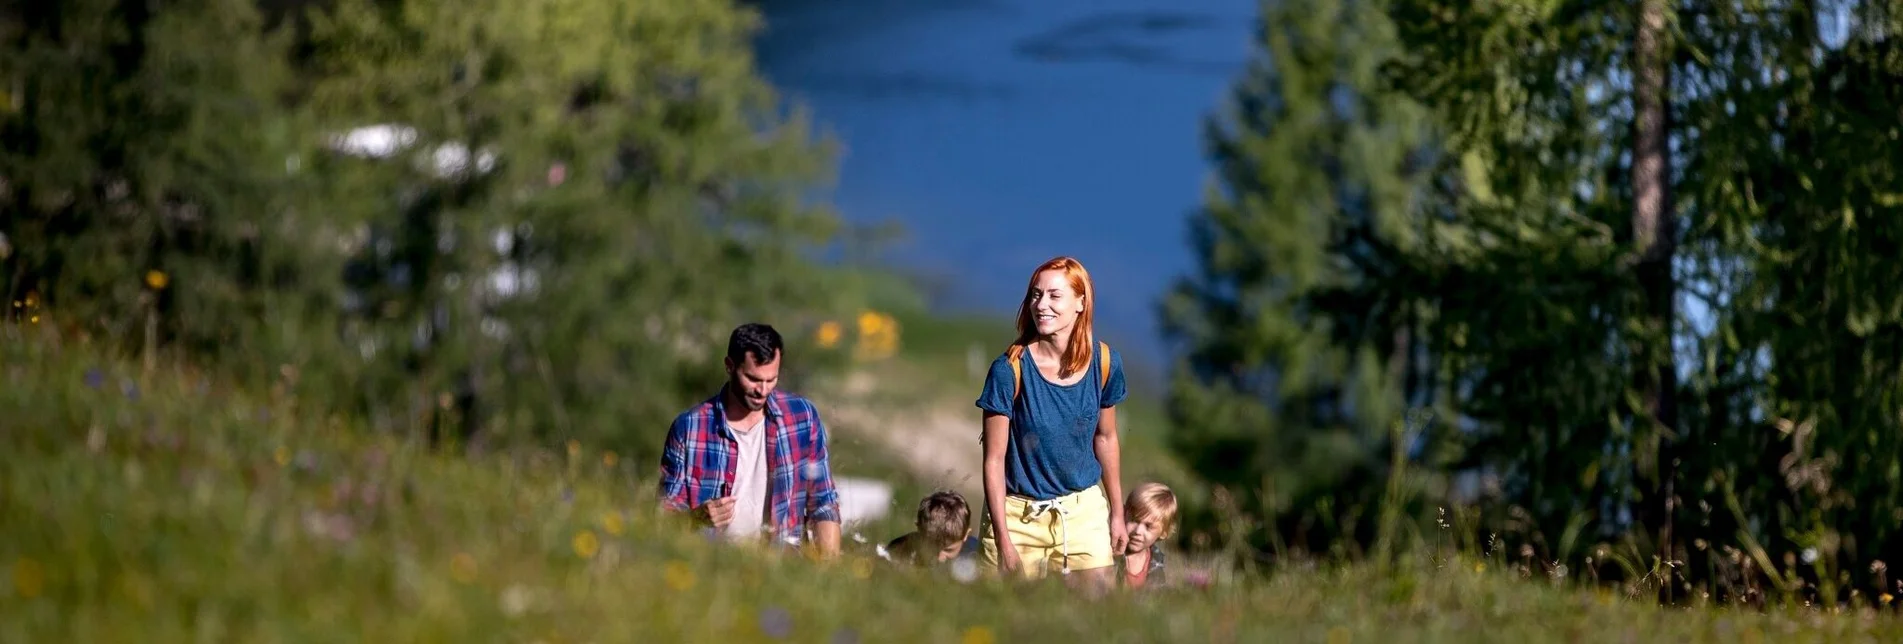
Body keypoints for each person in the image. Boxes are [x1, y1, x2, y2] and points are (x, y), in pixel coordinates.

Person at [976, 256, 1128, 590]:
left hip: (1083, 511)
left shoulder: (1105, 363)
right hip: (1018, 516)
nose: (1041, 305)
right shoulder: (1008, 370)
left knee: (1097, 621)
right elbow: (994, 460)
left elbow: (1106, 438)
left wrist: (1117, 512)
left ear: (1081, 302)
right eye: (1035, 295)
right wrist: (1002, 539)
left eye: (1054, 296)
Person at [658, 323, 842, 558]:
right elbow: (664, 517)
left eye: (771, 379)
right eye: (753, 379)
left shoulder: (802, 418)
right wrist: (696, 518)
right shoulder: (689, 427)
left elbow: (823, 502)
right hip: (710, 568)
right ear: (729, 366)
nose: (763, 390)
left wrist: (830, 571)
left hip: (783, 570)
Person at [882, 490, 981, 567]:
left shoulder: (976, 554)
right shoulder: (900, 549)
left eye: (948, 550)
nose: (940, 558)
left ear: (966, 535)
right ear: (919, 530)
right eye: (933, 547)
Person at [1120, 481, 1178, 589]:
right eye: (1134, 520)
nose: (1138, 531)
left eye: (1148, 526)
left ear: (1164, 532)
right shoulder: (1109, 552)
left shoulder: (1156, 562)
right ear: (1123, 515)